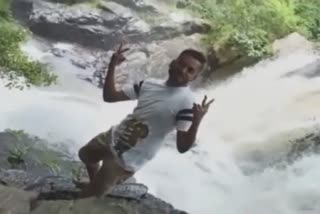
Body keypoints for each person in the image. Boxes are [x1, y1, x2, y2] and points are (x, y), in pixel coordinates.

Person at [77, 42, 214, 198]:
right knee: (85, 155)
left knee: (88, 198)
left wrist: (197, 121)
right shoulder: (149, 84)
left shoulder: (186, 103)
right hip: (112, 137)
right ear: (174, 62)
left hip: (127, 158)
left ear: (194, 77)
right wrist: (112, 65)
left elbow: (182, 147)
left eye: (190, 70)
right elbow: (109, 97)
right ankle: (94, 182)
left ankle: (96, 190)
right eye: (182, 64)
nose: (183, 70)